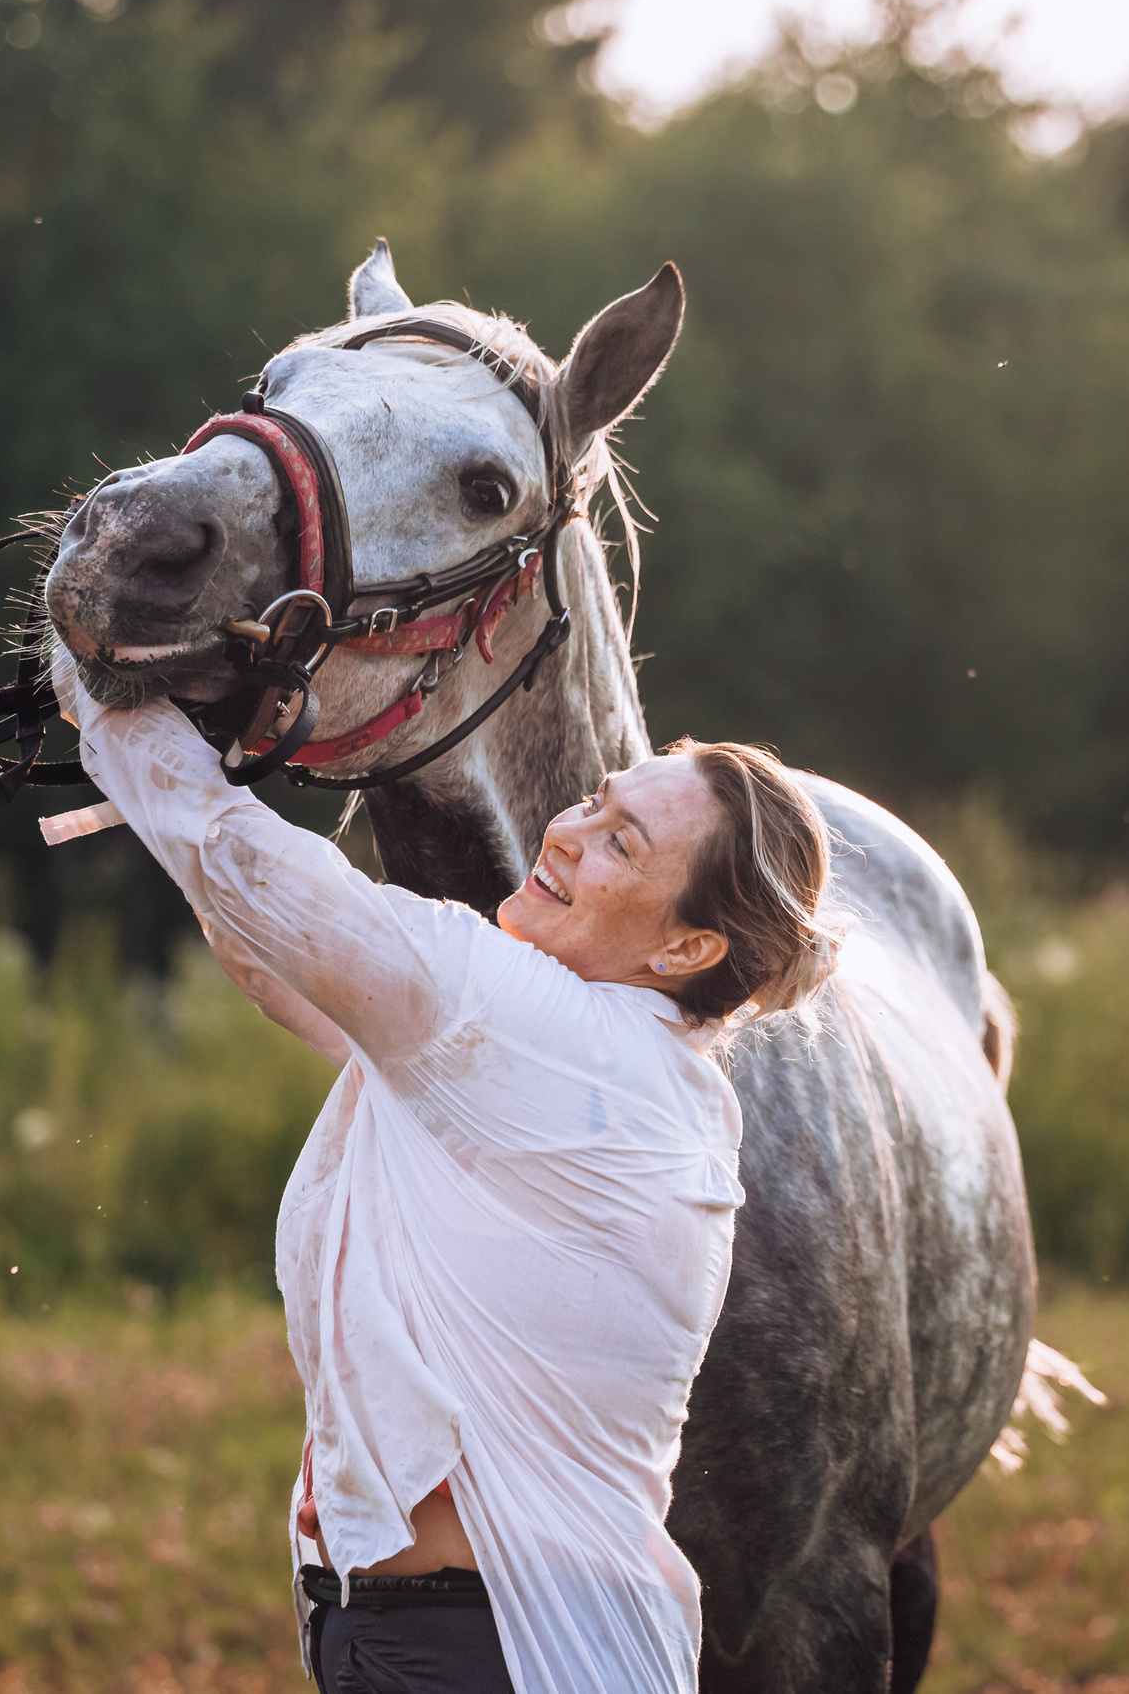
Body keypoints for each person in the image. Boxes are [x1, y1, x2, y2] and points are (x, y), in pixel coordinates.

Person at [51, 658, 838, 1694]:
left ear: (687, 946)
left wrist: (94, 663)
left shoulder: (541, 1032)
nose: (566, 832)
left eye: (621, 843)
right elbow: (270, 941)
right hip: (465, 1641)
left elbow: (237, 859)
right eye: (594, 801)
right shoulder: (613, 1066)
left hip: (485, 1651)